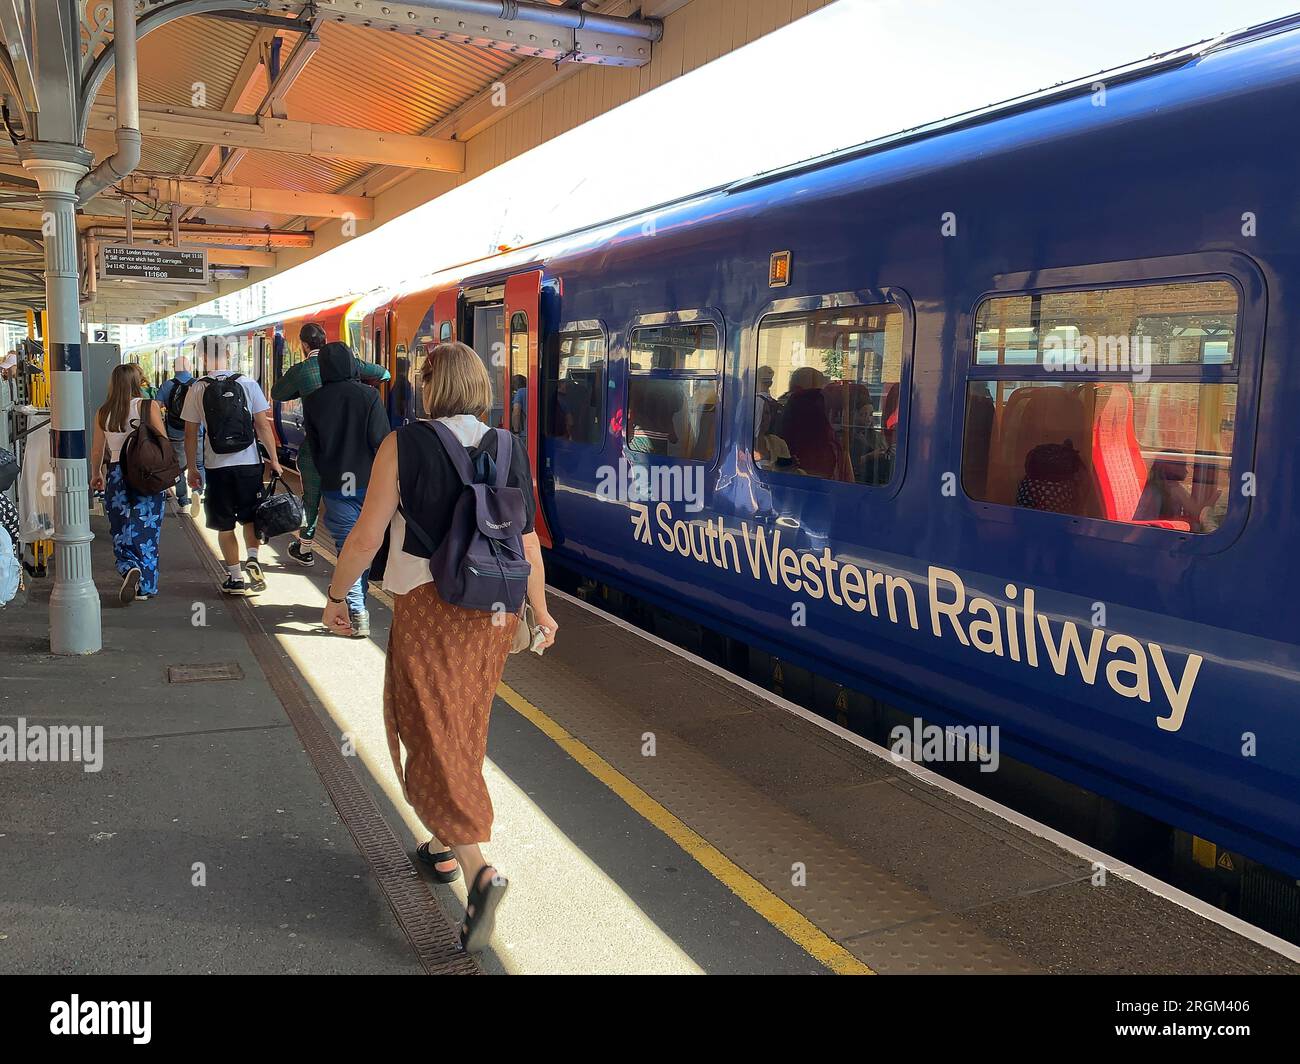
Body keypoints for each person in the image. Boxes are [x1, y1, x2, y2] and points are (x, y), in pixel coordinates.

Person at [321, 341, 558, 953]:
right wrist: (540, 609)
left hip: (430, 605)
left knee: (424, 723)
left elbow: (366, 534)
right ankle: (440, 845)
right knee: (462, 724)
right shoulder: (507, 447)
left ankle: (479, 868)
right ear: (479, 386)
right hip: (494, 613)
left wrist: (336, 596)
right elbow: (527, 540)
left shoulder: (403, 444)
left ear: (429, 386)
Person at [273, 322, 390, 567]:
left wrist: (302, 390)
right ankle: (356, 552)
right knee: (352, 497)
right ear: (324, 340)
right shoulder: (353, 368)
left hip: (317, 446)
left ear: (304, 345)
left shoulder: (301, 371)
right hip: (350, 452)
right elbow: (384, 373)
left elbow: (278, 394)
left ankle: (305, 547)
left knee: (312, 497)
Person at [182, 335, 282, 596]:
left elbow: (191, 434)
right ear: (228, 353)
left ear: (202, 357)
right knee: (250, 517)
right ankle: (252, 557)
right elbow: (262, 426)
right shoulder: (247, 383)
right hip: (249, 464)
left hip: (217, 467)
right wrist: (274, 459)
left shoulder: (198, 387)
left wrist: (192, 468)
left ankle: (235, 578)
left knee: (225, 525)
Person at [304, 342, 390, 638]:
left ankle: (357, 608)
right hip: (370, 484)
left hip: (336, 484)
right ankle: (357, 605)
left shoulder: (313, 401)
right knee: (365, 544)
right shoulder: (369, 396)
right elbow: (382, 442)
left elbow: (315, 449)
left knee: (347, 545)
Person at [88, 363, 168, 604]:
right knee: (148, 529)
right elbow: (162, 441)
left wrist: (96, 474)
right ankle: (146, 586)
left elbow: (96, 450)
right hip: (146, 474)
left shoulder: (104, 412)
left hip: (116, 474)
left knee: (121, 527)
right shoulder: (148, 406)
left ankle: (128, 566)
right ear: (137, 382)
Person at [155, 354, 204, 514]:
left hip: (175, 431)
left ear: (174, 369)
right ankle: (197, 491)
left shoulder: (167, 385)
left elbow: (156, 407)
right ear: (189, 367)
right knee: (198, 464)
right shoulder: (199, 384)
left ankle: (183, 502)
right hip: (197, 430)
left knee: (179, 468)